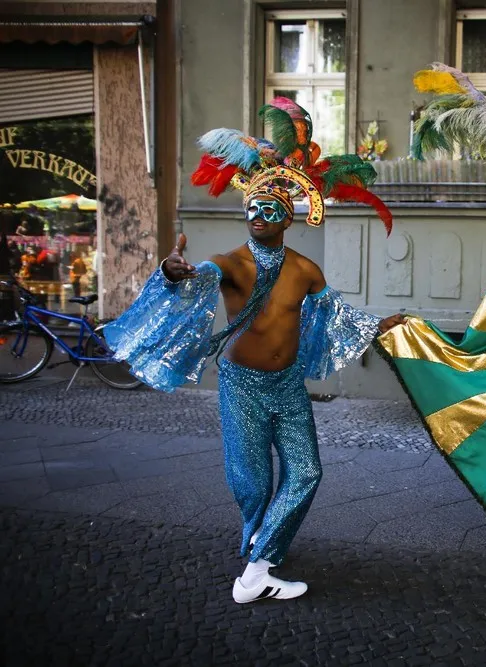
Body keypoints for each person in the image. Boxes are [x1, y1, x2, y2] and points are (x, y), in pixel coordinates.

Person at [104, 98, 404, 604]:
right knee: (253, 482)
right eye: (254, 207)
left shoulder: (307, 270)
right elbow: (201, 276)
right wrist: (176, 273)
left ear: (289, 217)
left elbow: (334, 318)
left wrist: (379, 326)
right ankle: (260, 550)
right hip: (242, 385)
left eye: (271, 209)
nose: (259, 215)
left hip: (287, 386)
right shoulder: (233, 263)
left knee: (306, 472)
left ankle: (257, 565)